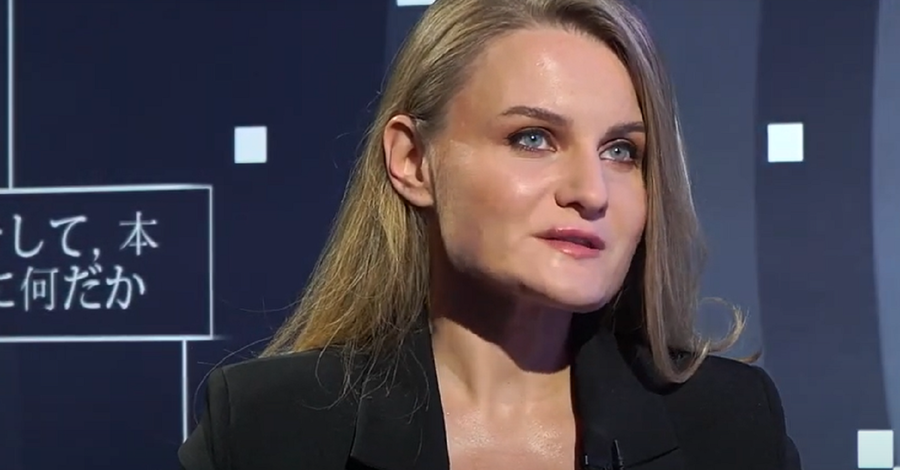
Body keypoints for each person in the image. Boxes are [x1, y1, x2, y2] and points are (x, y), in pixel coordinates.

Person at [179, 0, 802, 468]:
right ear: (413, 161)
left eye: (620, 150)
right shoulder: (266, 428)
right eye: (533, 138)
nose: (591, 191)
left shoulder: (730, 425)